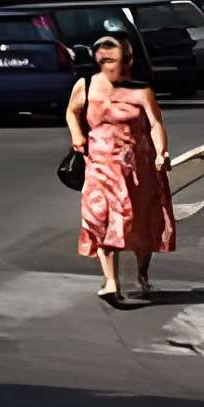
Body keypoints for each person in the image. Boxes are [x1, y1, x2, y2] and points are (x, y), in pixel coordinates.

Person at [66, 30, 173, 306]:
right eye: (111, 60)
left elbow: (155, 123)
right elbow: (72, 111)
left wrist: (161, 152)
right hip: (100, 165)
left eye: (123, 60)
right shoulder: (87, 85)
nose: (119, 66)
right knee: (99, 218)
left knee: (141, 223)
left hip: (139, 165)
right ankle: (111, 281)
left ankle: (141, 273)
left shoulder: (141, 90)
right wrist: (77, 135)